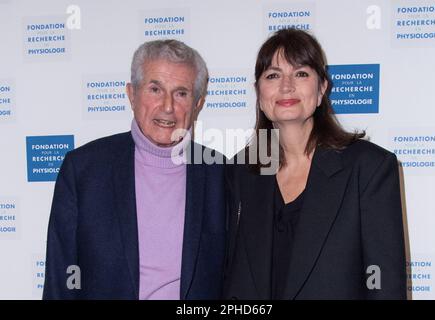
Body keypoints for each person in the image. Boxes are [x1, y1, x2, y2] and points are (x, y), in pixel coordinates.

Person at [223, 28, 406, 299]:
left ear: (321, 89)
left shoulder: (369, 168)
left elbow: (383, 285)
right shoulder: (239, 172)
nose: (286, 85)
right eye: (273, 75)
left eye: (301, 73)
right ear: (259, 95)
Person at [43, 39, 226, 299]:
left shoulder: (220, 173)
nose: (167, 106)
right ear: (132, 94)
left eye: (181, 93)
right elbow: (60, 281)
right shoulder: (83, 169)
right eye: (155, 89)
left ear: (197, 104)